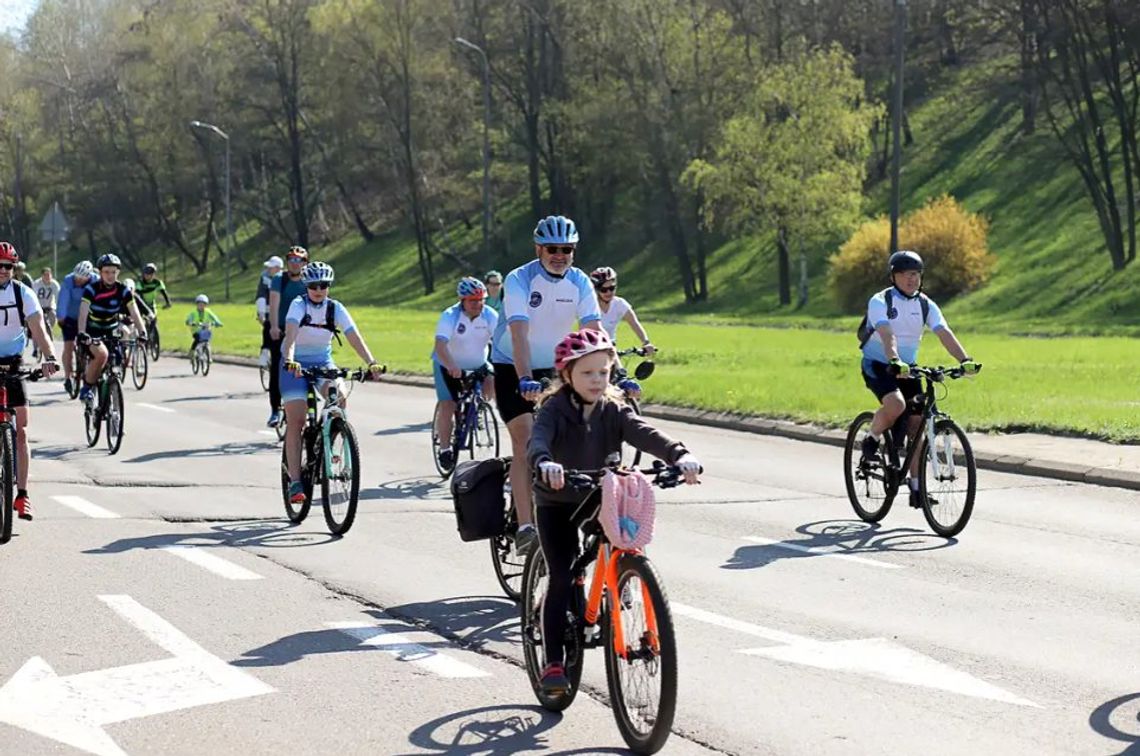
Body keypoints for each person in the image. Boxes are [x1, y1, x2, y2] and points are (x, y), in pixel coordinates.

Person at [527, 328, 701, 694]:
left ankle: (619, 583)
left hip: (599, 496)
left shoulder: (613, 408)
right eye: (587, 372)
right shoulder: (553, 409)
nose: (596, 380)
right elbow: (538, 440)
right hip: (557, 501)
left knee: (622, 544)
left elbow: (644, 432)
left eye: (603, 372)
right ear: (566, 374)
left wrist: (679, 455)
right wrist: (545, 463)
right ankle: (554, 662)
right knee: (562, 573)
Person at [490, 214, 602, 556]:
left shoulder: (580, 282)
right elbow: (519, 334)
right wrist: (524, 379)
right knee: (526, 440)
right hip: (513, 366)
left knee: (574, 438)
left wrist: (613, 373)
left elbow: (594, 332)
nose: (560, 255)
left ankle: (570, 514)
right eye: (553, 248)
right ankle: (525, 526)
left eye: (566, 249)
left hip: (556, 365)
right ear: (539, 248)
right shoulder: (519, 279)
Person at [858, 250, 981, 508]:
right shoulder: (880, 301)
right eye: (904, 274)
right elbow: (886, 333)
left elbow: (943, 331)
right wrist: (893, 359)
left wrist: (964, 359)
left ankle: (917, 489)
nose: (911, 279)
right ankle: (871, 439)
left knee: (916, 424)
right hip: (879, 364)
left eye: (915, 274)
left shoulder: (925, 304)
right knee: (896, 405)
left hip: (908, 367)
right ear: (894, 277)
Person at [280, 261, 382, 505]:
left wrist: (371, 362)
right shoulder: (298, 305)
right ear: (306, 286)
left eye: (323, 285)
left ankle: (329, 441)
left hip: (323, 362)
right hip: (294, 365)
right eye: (314, 285)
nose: (319, 289)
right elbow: (291, 335)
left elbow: (353, 336)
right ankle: (295, 481)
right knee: (297, 419)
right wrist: (291, 360)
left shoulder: (335, 308)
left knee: (339, 397)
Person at [0, 243, 59, 521]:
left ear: (14, 268)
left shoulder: (23, 293)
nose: (2, 270)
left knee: (21, 430)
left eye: (8, 266)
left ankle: (22, 496)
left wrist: (49, 355)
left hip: (13, 363)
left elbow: (38, 327)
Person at [432, 277, 497, 471]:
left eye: (480, 300)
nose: (477, 304)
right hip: (447, 364)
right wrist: (451, 365)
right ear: (462, 300)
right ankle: (444, 449)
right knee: (448, 404)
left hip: (478, 363)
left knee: (491, 382)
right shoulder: (450, 316)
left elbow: (502, 342)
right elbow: (440, 346)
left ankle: (478, 409)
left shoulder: (490, 315)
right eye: (472, 301)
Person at [76, 253, 147, 405]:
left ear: (118, 273)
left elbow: (134, 311)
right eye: (106, 272)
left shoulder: (123, 291)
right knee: (102, 354)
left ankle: (112, 403)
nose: (110, 275)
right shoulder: (91, 289)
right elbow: (82, 312)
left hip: (111, 329)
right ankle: (87, 388)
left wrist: (142, 332)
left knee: (118, 359)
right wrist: (82, 332)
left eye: (113, 272)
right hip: (92, 331)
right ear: (100, 272)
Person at [267, 246, 309, 428]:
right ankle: (275, 409)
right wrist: (274, 326)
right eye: (291, 259)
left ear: (304, 263)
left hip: (303, 328)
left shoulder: (309, 279)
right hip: (282, 328)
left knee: (310, 366)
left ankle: (309, 407)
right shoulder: (279, 279)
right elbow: (274, 305)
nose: (294, 263)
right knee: (278, 367)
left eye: (298, 260)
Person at [589, 267, 655, 355]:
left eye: (612, 288)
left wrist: (646, 343)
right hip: (591, 350)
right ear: (596, 290)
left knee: (620, 369)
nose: (609, 292)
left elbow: (634, 324)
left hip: (611, 349)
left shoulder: (620, 304)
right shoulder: (590, 306)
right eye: (604, 290)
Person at [57, 261, 94, 396]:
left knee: (91, 344)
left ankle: (89, 369)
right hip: (71, 317)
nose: (78, 281)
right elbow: (63, 300)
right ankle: (68, 377)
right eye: (76, 278)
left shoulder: (95, 281)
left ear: (89, 277)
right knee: (68, 346)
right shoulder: (68, 281)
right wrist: (61, 317)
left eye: (81, 279)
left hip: (88, 318)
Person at [256, 256, 283, 367]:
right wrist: (261, 313)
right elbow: (261, 296)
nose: (268, 269)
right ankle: (265, 351)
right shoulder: (265, 278)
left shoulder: (286, 279)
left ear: (278, 268)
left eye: (270, 267)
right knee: (268, 327)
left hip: (283, 311)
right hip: (268, 311)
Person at [33, 267, 61, 340]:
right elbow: (33, 297)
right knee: (35, 327)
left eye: (49, 275)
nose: (47, 277)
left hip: (49, 307)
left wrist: (59, 309)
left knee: (53, 317)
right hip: (38, 307)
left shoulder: (54, 284)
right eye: (45, 275)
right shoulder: (36, 283)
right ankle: (35, 349)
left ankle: (48, 331)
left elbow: (58, 298)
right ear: (42, 276)